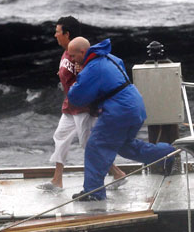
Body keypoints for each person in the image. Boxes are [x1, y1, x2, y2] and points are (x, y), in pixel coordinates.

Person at [67, 37, 175, 201]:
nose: (72, 60)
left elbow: (76, 97)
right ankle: (166, 153)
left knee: (96, 146)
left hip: (120, 111)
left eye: (73, 56)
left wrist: (74, 81)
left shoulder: (93, 67)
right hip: (135, 106)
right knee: (125, 146)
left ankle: (93, 193)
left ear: (83, 52)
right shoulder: (110, 58)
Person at [38, 16, 126, 192]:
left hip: (84, 109)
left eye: (57, 32)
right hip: (70, 107)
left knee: (88, 144)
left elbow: (91, 79)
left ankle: (117, 173)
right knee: (60, 137)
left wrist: (81, 72)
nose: (55, 35)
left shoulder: (80, 54)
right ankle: (57, 181)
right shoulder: (67, 53)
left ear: (67, 34)